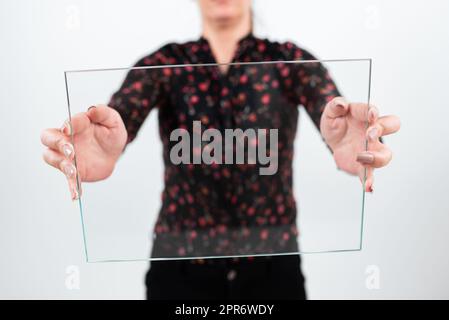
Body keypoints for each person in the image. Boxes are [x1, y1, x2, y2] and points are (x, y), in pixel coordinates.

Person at [40, 0, 400, 299]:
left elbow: (329, 107)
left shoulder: (289, 62)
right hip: (179, 272)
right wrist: (104, 140)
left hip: (272, 272)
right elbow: (120, 114)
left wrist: (350, 139)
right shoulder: (165, 64)